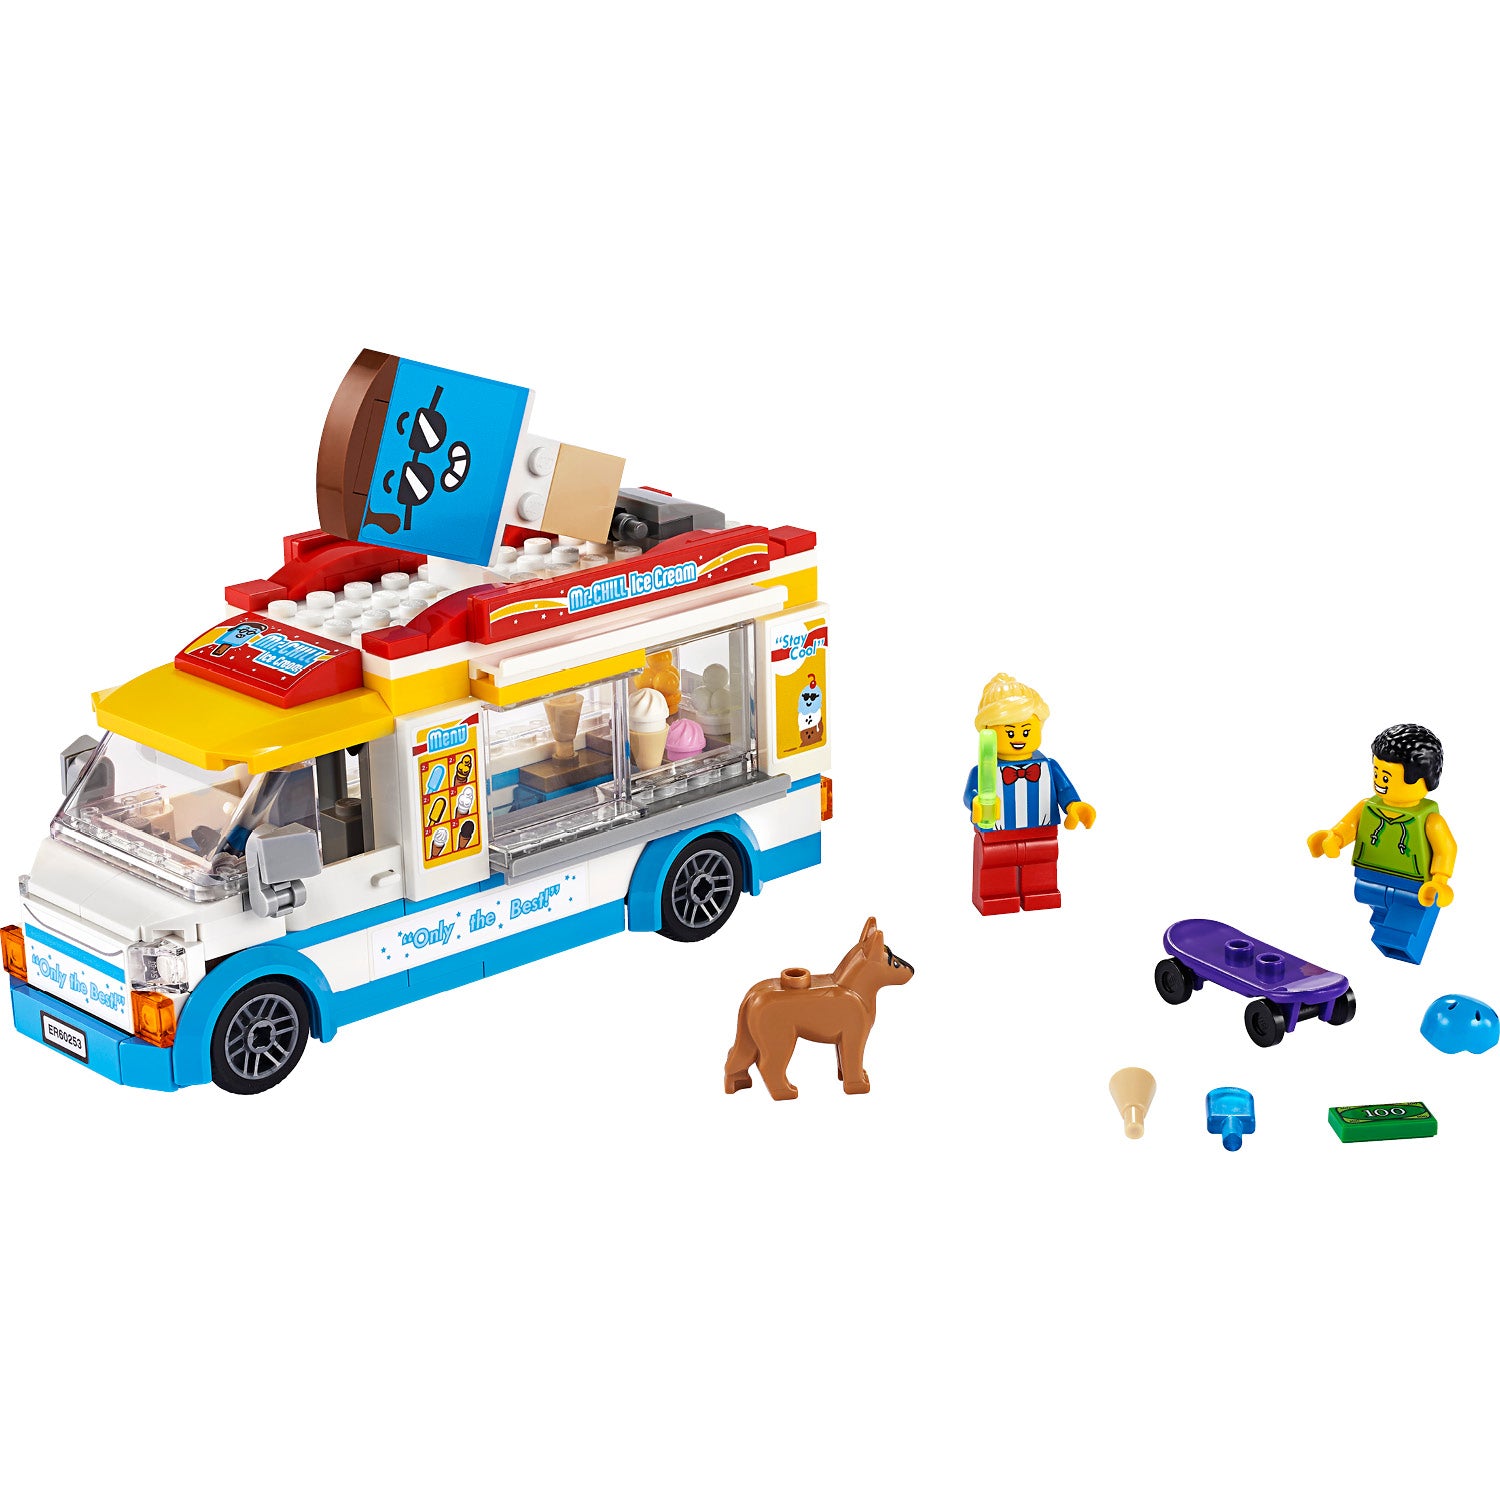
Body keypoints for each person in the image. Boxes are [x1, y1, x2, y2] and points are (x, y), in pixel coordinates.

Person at [1307, 723, 1456, 964]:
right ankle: (1391, 935)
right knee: (1382, 916)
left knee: (1400, 929)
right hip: (1369, 879)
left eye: (1387, 777)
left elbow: (1446, 849)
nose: (1379, 781)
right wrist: (1333, 837)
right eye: (1376, 773)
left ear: (1421, 779)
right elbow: (1348, 827)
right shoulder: (1367, 806)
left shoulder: (1430, 820)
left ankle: (1399, 945)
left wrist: (1439, 880)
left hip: (1413, 886)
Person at [962, 674, 1095, 915]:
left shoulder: (1048, 765)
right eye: (1009, 732)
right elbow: (969, 794)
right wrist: (976, 801)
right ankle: (996, 897)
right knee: (996, 865)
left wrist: (1074, 805)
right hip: (997, 833)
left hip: (1042, 830)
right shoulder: (984, 770)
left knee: (1042, 862)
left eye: (1026, 731)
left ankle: (1041, 893)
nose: (1018, 739)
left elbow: (1064, 789)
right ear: (988, 734)